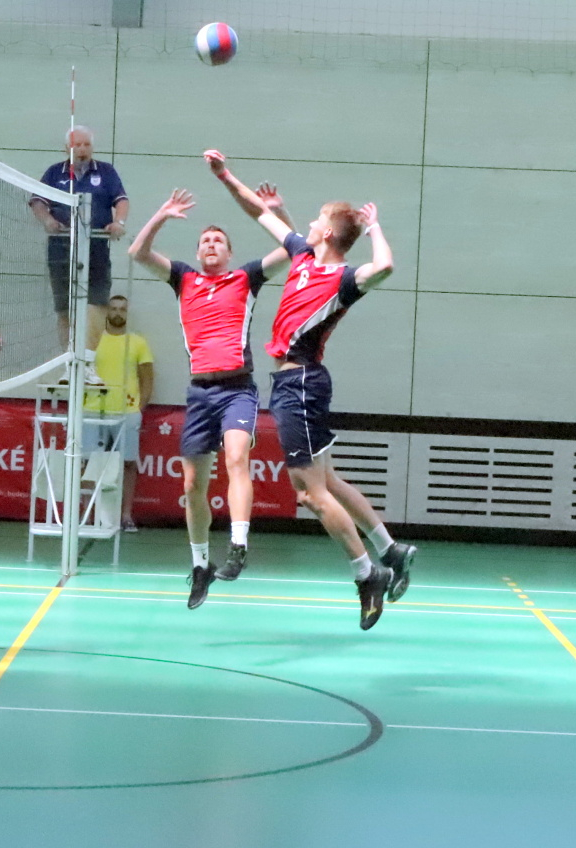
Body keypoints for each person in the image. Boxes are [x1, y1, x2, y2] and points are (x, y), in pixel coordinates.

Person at [206, 150, 416, 629]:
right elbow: (257, 211)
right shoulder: (301, 254)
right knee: (330, 482)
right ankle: (391, 549)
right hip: (299, 383)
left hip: (299, 384)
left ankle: (367, 575)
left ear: (328, 235)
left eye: (317, 219)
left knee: (310, 493)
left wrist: (374, 227)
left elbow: (385, 266)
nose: (309, 223)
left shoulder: (343, 279)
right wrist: (225, 175)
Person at [129, 188, 289, 607]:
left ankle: (238, 546)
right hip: (199, 392)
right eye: (205, 241)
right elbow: (137, 252)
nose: (211, 244)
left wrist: (277, 212)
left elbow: (295, 249)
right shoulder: (184, 279)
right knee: (192, 484)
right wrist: (162, 214)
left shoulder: (246, 278)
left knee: (236, 459)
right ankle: (200, 564)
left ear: (230, 253)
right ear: (198, 253)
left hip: (237, 389)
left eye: (218, 240)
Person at [29, 126, 129, 350]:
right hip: (61, 250)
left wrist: (119, 223)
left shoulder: (106, 171)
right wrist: (48, 221)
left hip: (96, 250)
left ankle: (89, 359)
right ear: (67, 148)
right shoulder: (55, 173)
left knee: (97, 303)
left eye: (86, 145)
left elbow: (122, 200)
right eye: (77, 145)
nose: (82, 149)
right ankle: (68, 358)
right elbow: (37, 201)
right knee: (64, 308)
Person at [83, 294, 153, 534]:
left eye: (122, 309)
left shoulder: (138, 343)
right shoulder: (92, 341)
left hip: (127, 413)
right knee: (89, 463)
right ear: (106, 312)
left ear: (127, 313)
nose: (117, 313)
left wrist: (139, 408)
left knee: (128, 463)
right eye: (113, 308)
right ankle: (88, 515)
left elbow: (147, 379)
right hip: (93, 410)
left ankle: (125, 516)